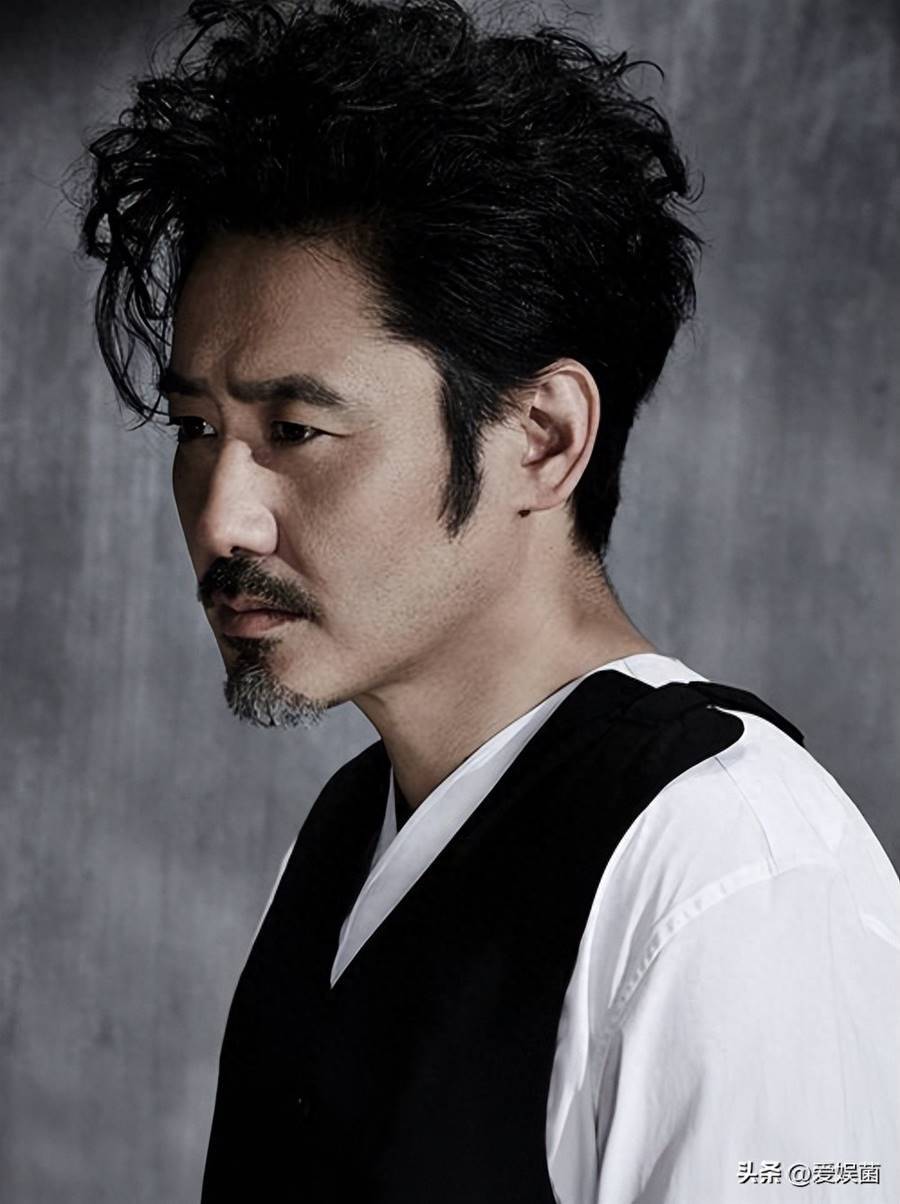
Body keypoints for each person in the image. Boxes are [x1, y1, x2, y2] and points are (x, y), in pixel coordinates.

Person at [77, 1, 899, 1200]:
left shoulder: (735, 876)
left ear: (543, 437)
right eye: (198, 429)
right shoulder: (351, 835)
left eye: (296, 429)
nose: (222, 518)